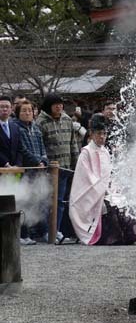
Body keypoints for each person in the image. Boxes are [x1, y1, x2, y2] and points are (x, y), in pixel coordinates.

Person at [69, 114, 136, 245]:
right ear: (91, 134)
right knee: (109, 204)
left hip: (104, 189)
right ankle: (111, 237)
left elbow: (109, 174)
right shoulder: (86, 152)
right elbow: (86, 177)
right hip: (90, 194)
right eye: (99, 134)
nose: (102, 137)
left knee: (122, 200)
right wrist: (103, 189)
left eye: (104, 133)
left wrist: (112, 187)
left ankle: (128, 235)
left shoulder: (105, 151)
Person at [36, 93, 79, 242]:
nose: (59, 107)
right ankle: (47, 231)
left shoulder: (67, 120)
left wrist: (76, 163)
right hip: (50, 169)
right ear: (49, 106)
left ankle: (57, 229)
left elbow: (73, 143)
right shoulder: (40, 122)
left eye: (61, 104)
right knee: (48, 200)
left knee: (60, 201)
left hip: (66, 166)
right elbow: (39, 146)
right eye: (56, 104)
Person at [13, 100, 49, 245]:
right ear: (18, 113)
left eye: (30, 110)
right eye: (24, 110)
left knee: (40, 201)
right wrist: (36, 161)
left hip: (38, 170)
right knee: (24, 202)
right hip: (26, 170)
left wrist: (44, 161)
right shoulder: (16, 128)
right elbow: (22, 149)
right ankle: (24, 234)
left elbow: (43, 148)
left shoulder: (36, 128)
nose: (28, 113)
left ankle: (44, 232)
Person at [0, 95, 25, 168]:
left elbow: (20, 148)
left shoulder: (15, 127)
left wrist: (17, 165)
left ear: (11, 109)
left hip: (15, 170)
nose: (5, 109)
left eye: (7, 107)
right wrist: (6, 164)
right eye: (1, 107)